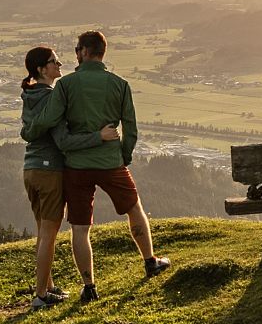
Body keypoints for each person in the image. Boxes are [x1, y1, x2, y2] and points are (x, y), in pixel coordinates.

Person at [23, 30, 169, 303]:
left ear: (85, 52)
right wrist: (123, 156)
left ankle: (89, 287)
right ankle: (150, 261)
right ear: (102, 52)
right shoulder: (119, 84)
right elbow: (131, 127)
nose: (74, 55)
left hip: (76, 166)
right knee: (134, 208)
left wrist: (29, 131)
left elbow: (50, 119)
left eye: (77, 49)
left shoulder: (66, 85)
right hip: (110, 161)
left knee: (80, 227)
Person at [19, 46, 120, 309]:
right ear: (42, 69)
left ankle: (48, 287)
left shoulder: (30, 94)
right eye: (54, 62)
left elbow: (28, 131)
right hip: (49, 170)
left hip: (30, 169)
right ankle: (40, 296)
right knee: (49, 235)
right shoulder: (51, 98)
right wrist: (98, 136)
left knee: (42, 232)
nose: (59, 64)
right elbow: (63, 141)